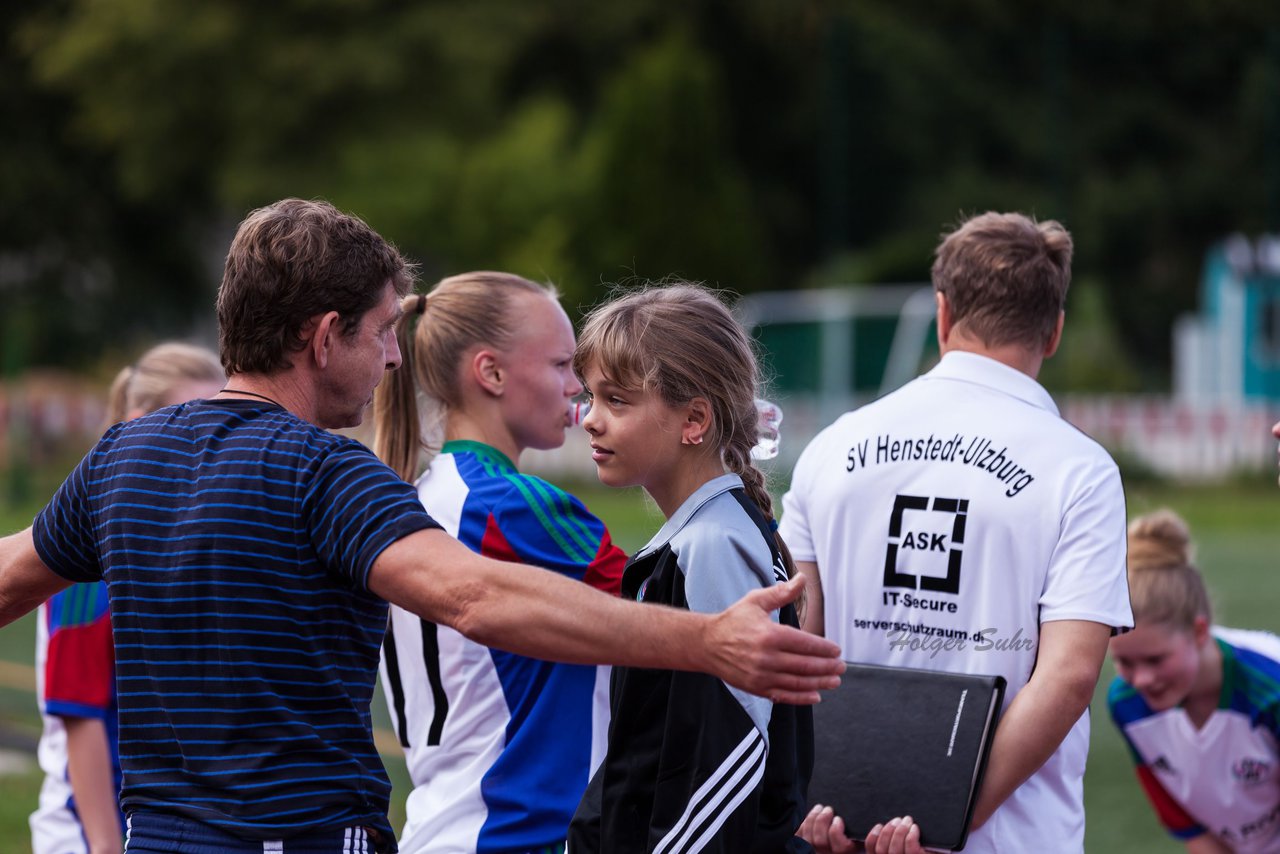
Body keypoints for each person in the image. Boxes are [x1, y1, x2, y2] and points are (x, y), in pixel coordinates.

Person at [0, 198, 843, 853]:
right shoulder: (322, 472)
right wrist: (704, 642)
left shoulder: (124, 456)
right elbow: (474, 596)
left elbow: (10, 574)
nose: (397, 358)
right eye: (382, 333)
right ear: (325, 338)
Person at [779, 212, 1133, 853]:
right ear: (1053, 332)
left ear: (942, 315)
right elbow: (1070, 676)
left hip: (842, 826)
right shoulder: (1081, 469)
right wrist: (949, 816)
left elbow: (791, 637)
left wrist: (821, 796)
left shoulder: (832, 447)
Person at [371, 271, 626, 853]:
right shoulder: (509, 506)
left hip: (437, 827)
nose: (576, 389)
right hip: (515, 835)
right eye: (562, 365)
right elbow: (674, 609)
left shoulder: (414, 495)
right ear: (490, 373)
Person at [564, 283, 818, 853]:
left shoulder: (713, 547)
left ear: (694, 419)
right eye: (590, 396)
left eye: (617, 401)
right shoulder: (704, 535)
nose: (590, 419)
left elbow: (725, 768)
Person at [30, 342, 225, 854]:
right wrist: (104, 845)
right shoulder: (91, 542)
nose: (213, 442)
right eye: (192, 421)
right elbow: (80, 716)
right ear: (139, 422)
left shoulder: (177, 532)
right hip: (90, 832)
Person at [1108, 509, 1280, 854]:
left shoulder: (1269, 689)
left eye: (1156, 659)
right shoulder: (1127, 704)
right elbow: (1192, 827)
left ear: (1198, 631)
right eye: (1124, 661)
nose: (1141, 679)